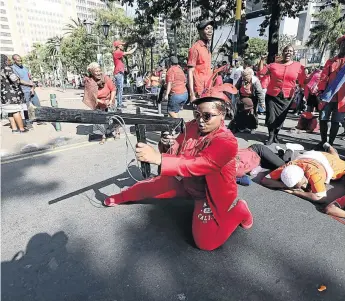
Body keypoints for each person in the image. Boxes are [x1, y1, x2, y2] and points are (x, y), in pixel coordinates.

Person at [102, 84, 254, 251]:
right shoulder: (192, 126)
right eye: (197, 114)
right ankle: (121, 197)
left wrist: (158, 158)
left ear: (222, 115)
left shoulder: (227, 141)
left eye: (207, 116)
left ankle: (240, 210)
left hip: (209, 194)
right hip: (187, 182)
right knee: (151, 186)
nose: (200, 121)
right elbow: (176, 151)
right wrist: (165, 145)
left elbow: (200, 164)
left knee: (206, 243)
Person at [261, 143, 345, 202]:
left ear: (303, 176)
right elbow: (265, 180)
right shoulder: (288, 167)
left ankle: (330, 147)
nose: (303, 187)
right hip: (312, 155)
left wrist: (295, 192)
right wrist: (284, 186)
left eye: (302, 184)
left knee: (336, 158)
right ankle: (328, 147)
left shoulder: (316, 174)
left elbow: (320, 198)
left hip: (329, 163)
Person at [257, 46, 306, 145]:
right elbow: (261, 72)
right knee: (271, 116)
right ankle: (270, 136)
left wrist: (303, 87)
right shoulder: (273, 65)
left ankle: (276, 135)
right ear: (282, 53)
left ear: (293, 54)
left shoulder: (298, 66)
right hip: (272, 94)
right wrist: (262, 60)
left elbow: (302, 80)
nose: (288, 53)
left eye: (290, 51)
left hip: (287, 96)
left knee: (281, 117)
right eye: (286, 51)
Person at [316, 34, 345, 148]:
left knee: (336, 121)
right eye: (343, 44)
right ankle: (323, 141)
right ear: (340, 46)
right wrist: (320, 92)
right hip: (328, 96)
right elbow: (323, 77)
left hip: (342, 99)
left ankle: (330, 144)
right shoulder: (331, 61)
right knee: (323, 118)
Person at [82, 62, 118, 145]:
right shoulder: (89, 82)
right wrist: (99, 101)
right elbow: (90, 97)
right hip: (98, 102)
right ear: (91, 72)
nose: (98, 73)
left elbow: (113, 89)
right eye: (96, 71)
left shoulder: (106, 78)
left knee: (114, 118)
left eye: (99, 71)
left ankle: (117, 132)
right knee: (100, 121)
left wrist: (110, 100)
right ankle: (103, 136)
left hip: (109, 100)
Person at [0, 54, 30, 133]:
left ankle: (14, 129)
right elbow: (15, 80)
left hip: (4, 95)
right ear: (4, 60)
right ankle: (21, 129)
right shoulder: (6, 68)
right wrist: (30, 84)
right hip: (11, 94)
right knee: (16, 111)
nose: (9, 61)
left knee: (10, 112)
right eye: (8, 59)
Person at [230, 68, 265, 133]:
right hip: (242, 98)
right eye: (243, 77)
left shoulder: (255, 81)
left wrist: (262, 102)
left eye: (246, 77)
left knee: (252, 114)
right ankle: (241, 126)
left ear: (250, 75)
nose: (244, 79)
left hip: (252, 98)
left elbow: (259, 92)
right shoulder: (241, 79)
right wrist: (232, 90)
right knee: (241, 113)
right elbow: (236, 87)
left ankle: (253, 127)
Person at [11, 54, 41, 128]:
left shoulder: (25, 67)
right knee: (26, 107)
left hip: (31, 89)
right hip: (23, 91)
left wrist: (32, 88)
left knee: (37, 104)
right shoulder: (13, 69)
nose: (20, 61)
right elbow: (18, 80)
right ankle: (28, 122)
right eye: (18, 60)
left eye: (21, 59)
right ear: (14, 60)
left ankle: (40, 119)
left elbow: (30, 77)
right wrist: (30, 84)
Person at [187, 20, 213, 103]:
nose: (210, 31)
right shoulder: (195, 48)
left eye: (211, 29)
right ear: (200, 31)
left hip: (208, 88)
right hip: (200, 90)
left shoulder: (207, 48)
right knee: (201, 114)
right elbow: (190, 71)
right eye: (207, 29)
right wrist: (192, 94)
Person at [112, 40, 137, 109]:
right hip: (119, 73)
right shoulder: (117, 52)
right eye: (122, 45)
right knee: (120, 89)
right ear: (118, 46)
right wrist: (135, 47)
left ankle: (119, 103)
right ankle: (119, 104)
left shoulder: (117, 53)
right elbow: (129, 53)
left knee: (120, 89)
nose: (123, 46)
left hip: (119, 72)